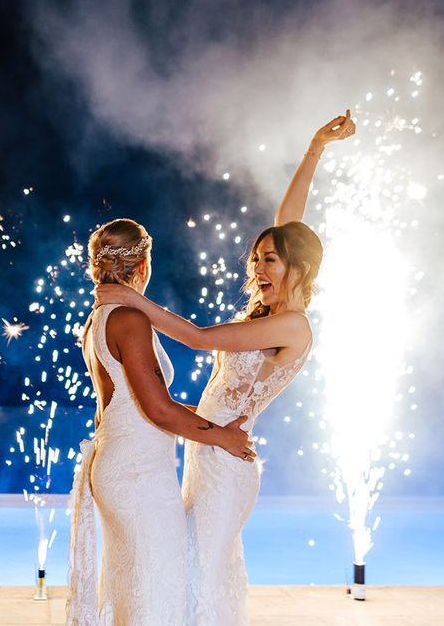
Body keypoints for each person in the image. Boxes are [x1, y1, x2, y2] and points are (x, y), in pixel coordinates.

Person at [94, 111, 356, 625]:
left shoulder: (293, 327)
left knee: (206, 571)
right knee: (189, 566)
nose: (257, 268)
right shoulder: (272, 312)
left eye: (270, 261)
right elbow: (290, 222)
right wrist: (315, 148)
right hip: (207, 448)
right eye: (256, 258)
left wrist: (133, 301)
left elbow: (197, 338)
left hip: (225, 455)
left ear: (297, 268)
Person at [66, 218, 256, 626]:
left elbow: (138, 405)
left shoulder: (99, 318)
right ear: (142, 265)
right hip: (138, 480)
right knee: (158, 596)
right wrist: (222, 437)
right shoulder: (128, 320)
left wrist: (213, 418)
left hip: (122, 468)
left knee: (140, 593)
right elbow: (158, 410)